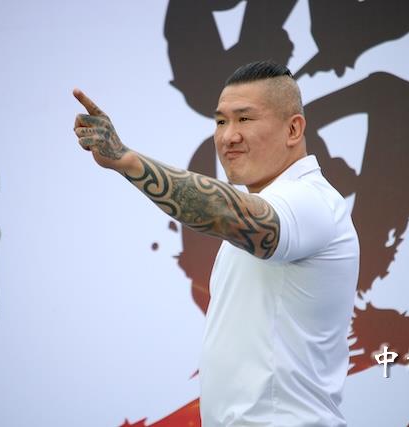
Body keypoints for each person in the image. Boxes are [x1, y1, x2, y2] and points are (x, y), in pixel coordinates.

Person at [73, 60, 359, 427]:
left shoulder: (312, 200)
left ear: (293, 129)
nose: (228, 137)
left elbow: (231, 213)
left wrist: (127, 161)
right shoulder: (277, 200)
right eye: (221, 122)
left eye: (245, 119)